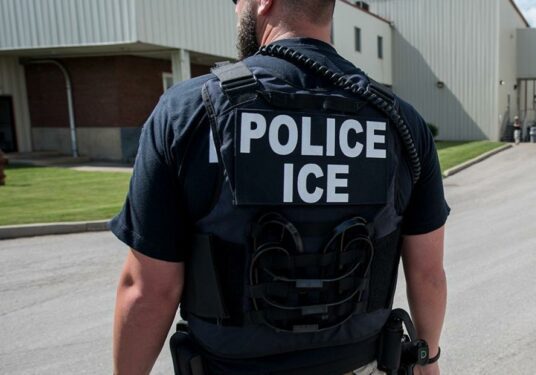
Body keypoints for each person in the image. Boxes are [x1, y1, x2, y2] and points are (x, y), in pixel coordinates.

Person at [110, 1, 449, 374]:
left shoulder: (187, 111)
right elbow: (427, 273)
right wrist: (427, 361)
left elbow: (148, 292)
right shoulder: (402, 122)